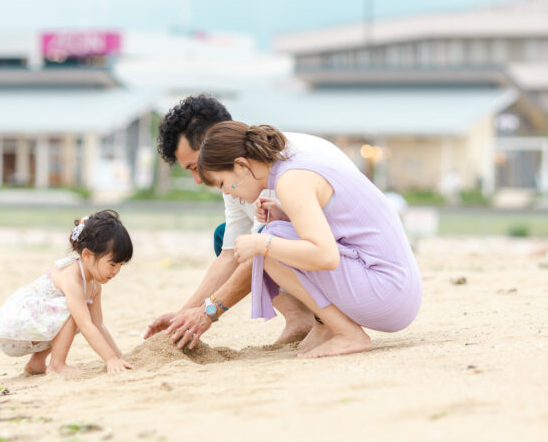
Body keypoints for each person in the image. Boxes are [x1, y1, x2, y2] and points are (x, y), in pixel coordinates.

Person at [197, 122, 422, 358]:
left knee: (268, 244)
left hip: (387, 293)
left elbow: (325, 255)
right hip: (400, 291)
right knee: (274, 234)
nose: (228, 193)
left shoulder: (290, 181)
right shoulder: (294, 166)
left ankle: (346, 332)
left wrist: (260, 244)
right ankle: (330, 327)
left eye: (223, 183)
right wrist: (283, 217)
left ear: (241, 165)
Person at [143, 95, 314, 349]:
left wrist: (208, 312)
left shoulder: (265, 167)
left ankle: (322, 318)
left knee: (265, 238)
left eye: (194, 166)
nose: (197, 180)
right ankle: (299, 318)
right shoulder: (232, 177)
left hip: (334, 255)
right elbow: (230, 255)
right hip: (300, 252)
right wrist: (184, 316)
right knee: (225, 236)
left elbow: (261, 251)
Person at [0, 210, 134, 377]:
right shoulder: (72, 278)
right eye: (112, 264)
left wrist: (118, 356)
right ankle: (57, 365)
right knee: (75, 312)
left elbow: (98, 324)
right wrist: (109, 359)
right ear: (87, 255)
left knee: (76, 312)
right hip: (13, 332)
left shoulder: (94, 285)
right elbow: (86, 325)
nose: (116, 271)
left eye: (121, 265)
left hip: (31, 329)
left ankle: (36, 363)